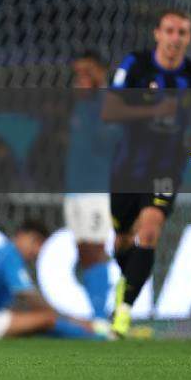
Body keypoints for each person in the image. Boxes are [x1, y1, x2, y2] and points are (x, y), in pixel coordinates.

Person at [102, 9, 191, 337]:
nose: (175, 38)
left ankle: (123, 313)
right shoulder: (136, 66)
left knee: (149, 230)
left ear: (188, 38)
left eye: (182, 32)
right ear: (157, 34)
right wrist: (153, 109)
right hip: (127, 167)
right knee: (123, 239)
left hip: (167, 167)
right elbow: (110, 111)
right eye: (169, 31)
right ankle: (126, 286)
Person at [0, 220, 111, 341]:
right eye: (36, 243)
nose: (36, 252)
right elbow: (28, 295)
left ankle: (89, 332)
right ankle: (96, 335)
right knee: (47, 318)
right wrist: (73, 320)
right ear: (24, 236)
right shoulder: (10, 254)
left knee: (34, 319)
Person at [64, 51, 119, 322]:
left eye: (87, 72)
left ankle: (101, 318)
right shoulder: (81, 105)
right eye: (78, 73)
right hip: (75, 188)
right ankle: (96, 314)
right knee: (83, 250)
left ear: (101, 71)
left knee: (96, 249)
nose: (81, 78)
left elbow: (111, 141)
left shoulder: (110, 103)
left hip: (98, 188)